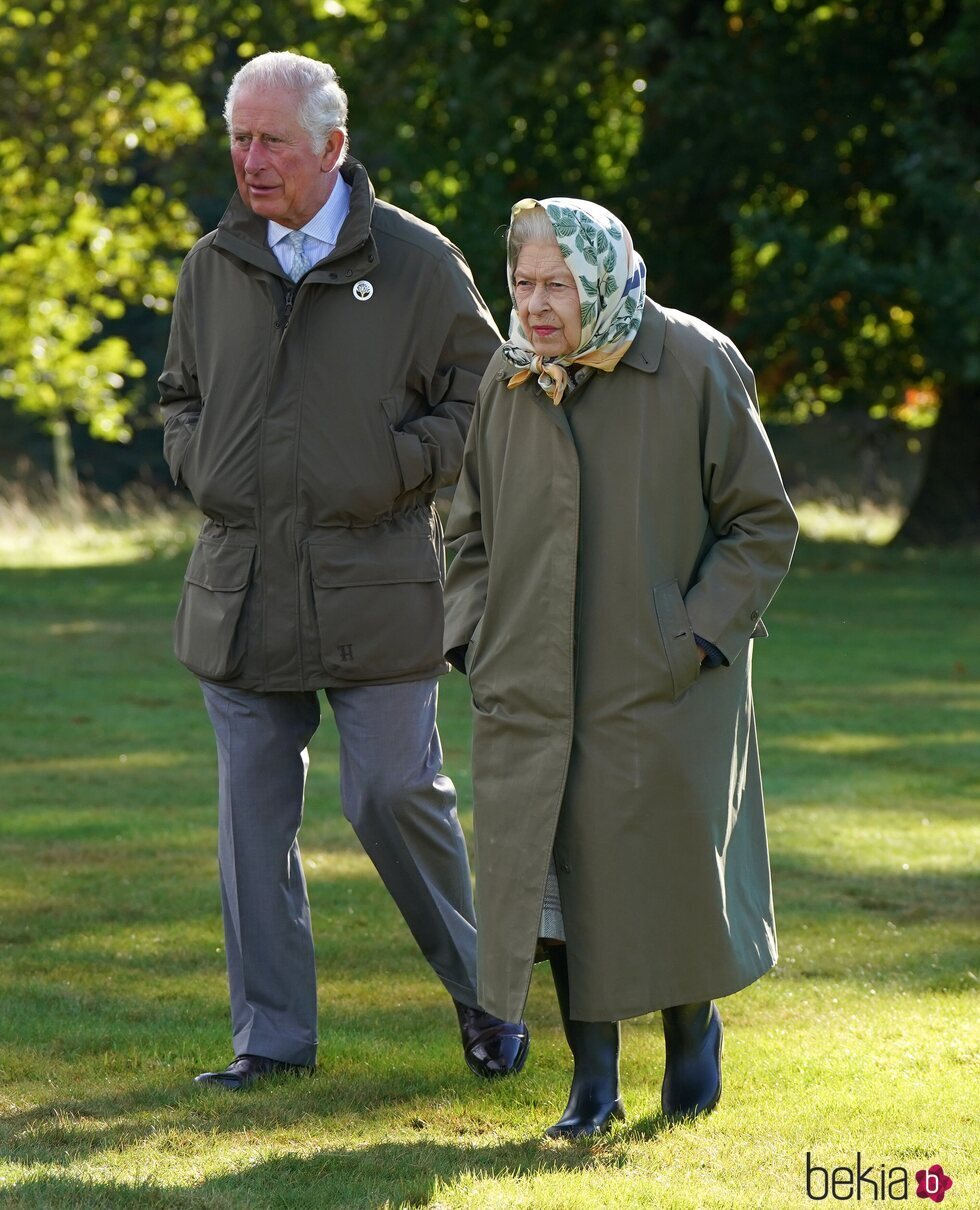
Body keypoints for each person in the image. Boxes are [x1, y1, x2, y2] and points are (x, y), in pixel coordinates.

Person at [158, 51, 529, 1091]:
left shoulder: (415, 262)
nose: (249, 158)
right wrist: (199, 462)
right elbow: (177, 394)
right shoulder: (212, 262)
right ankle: (270, 1041)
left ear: (331, 146)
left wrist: (393, 469)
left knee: (393, 791)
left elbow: (482, 395)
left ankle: (488, 992)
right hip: (238, 588)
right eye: (238, 136)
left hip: (375, 579)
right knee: (250, 824)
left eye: (270, 138)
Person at [443, 197, 798, 1137]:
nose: (537, 304)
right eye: (523, 283)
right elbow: (466, 527)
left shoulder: (693, 360)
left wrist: (690, 638)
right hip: (528, 679)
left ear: (602, 272)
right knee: (552, 881)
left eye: (558, 282)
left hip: (662, 681)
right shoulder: (507, 375)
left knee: (669, 870)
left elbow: (762, 524)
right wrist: (474, 634)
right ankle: (590, 1086)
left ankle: (692, 1041)